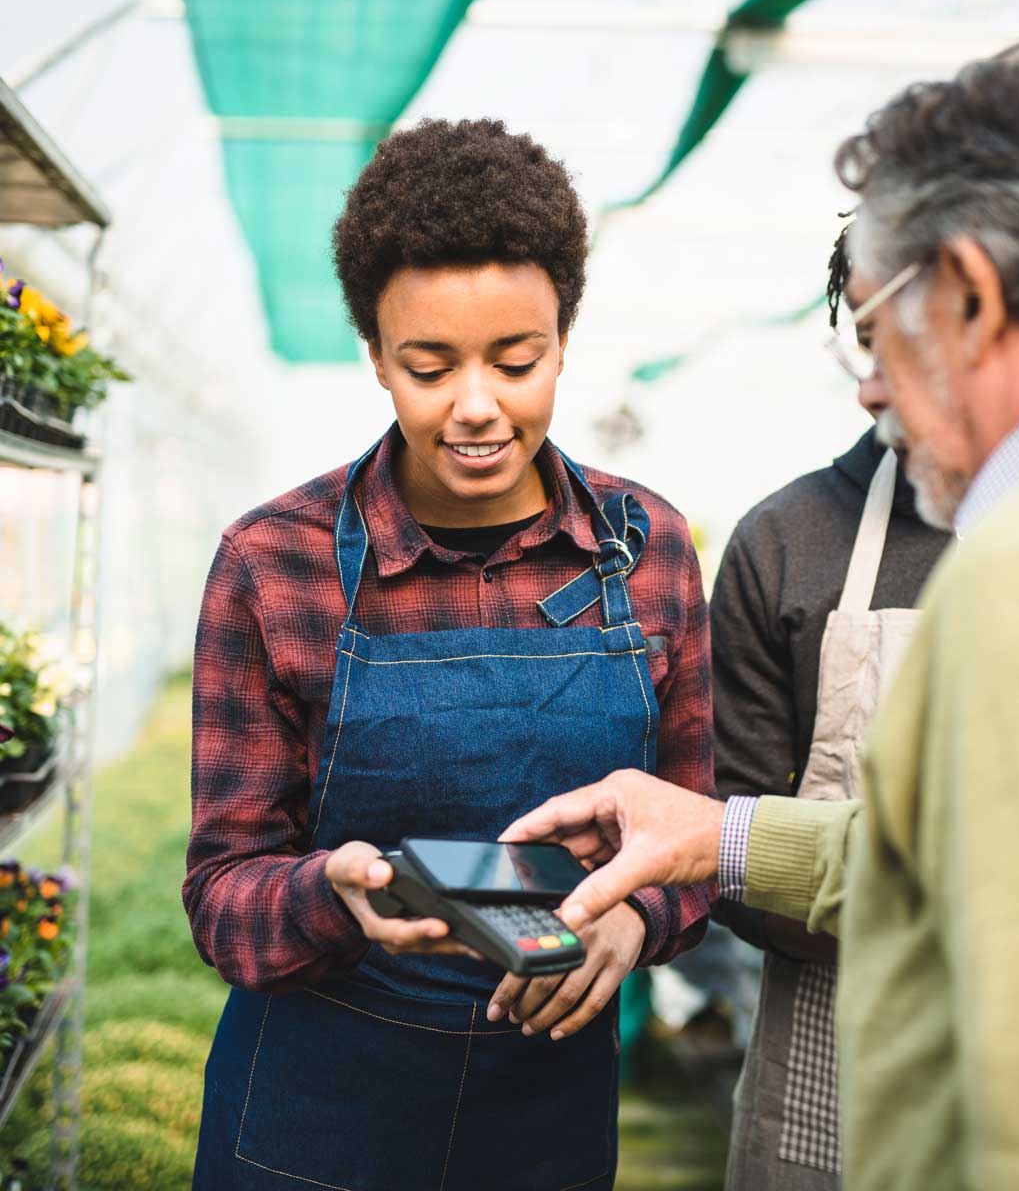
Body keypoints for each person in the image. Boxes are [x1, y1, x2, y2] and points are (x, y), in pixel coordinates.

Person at [503, 44, 1019, 1190]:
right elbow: (996, 865)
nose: (868, 389)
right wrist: (717, 835)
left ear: (971, 294)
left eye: (874, 335)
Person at [183, 118, 713, 1191]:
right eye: (430, 367)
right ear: (376, 356)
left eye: (516, 361)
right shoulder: (272, 563)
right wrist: (330, 896)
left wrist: (635, 923)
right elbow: (221, 890)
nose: (477, 405)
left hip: (546, 1111)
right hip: (314, 1115)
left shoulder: (648, 548)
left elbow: (701, 826)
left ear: (563, 339)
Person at [712, 226, 949, 1190]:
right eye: (865, 340)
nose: (873, 383)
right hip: (831, 1049)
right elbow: (733, 840)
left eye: (909, 340)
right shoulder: (787, 543)